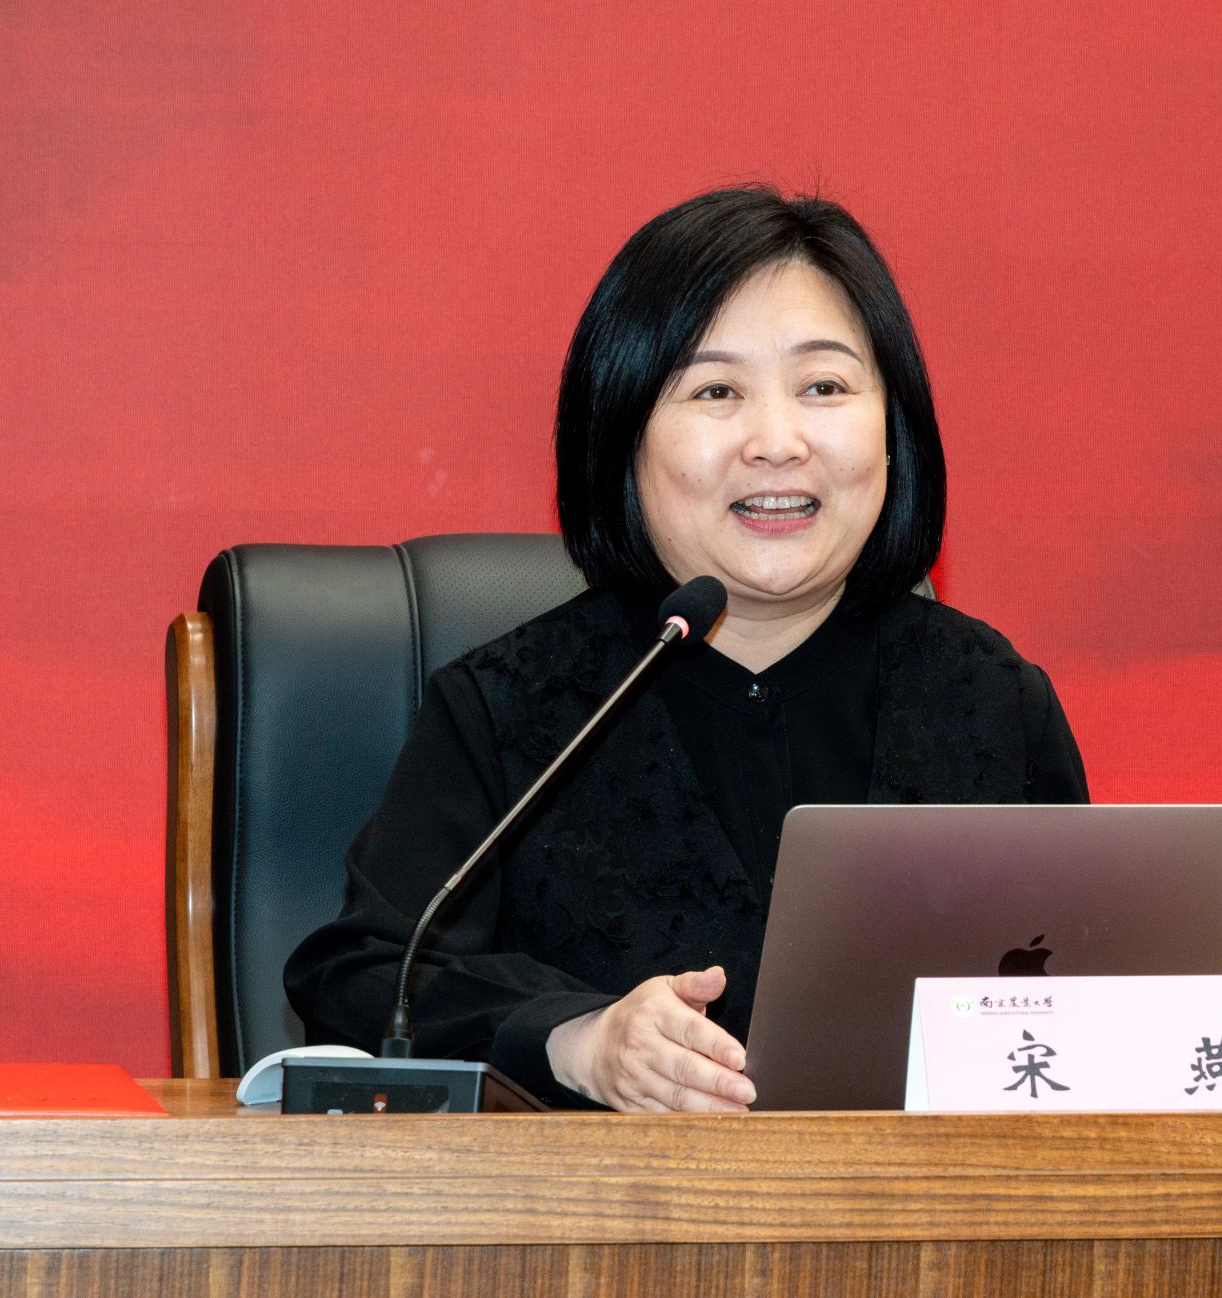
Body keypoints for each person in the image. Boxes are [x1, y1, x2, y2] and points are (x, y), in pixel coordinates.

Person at [284, 187, 1087, 1113]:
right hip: (605, 1207)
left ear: (893, 432)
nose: (778, 444)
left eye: (824, 388)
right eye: (716, 392)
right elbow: (366, 976)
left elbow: (1105, 997)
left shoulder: (991, 700)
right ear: (622, 441)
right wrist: (576, 1040)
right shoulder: (512, 706)